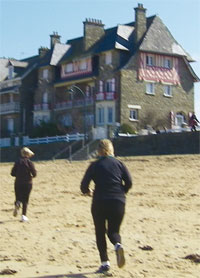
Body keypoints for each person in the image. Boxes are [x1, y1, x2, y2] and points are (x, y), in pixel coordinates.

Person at [80, 139, 132, 274]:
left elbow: (83, 186)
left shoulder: (94, 165)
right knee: (113, 231)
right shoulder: (120, 164)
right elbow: (129, 182)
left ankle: (105, 263)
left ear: (98, 151)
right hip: (118, 201)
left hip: (99, 201)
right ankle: (117, 245)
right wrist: (122, 192)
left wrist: (88, 192)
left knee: (100, 231)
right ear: (111, 149)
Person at [11, 147, 37, 222]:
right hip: (27, 183)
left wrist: (18, 175)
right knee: (25, 199)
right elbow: (34, 174)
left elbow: (12, 173)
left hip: (18, 182)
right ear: (28, 154)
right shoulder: (30, 163)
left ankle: (17, 202)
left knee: (18, 196)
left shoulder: (17, 162)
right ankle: (23, 216)